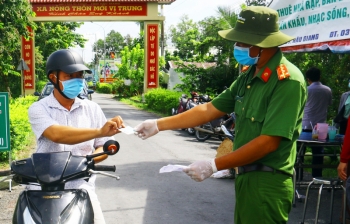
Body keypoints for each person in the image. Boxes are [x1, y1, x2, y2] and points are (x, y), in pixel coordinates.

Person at [133, 6, 306, 224]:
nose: (237, 46)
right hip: (246, 177)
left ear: (260, 44)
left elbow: (268, 142)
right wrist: (159, 124)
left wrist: (215, 165)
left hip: (267, 182)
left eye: (241, 42)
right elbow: (209, 109)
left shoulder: (287, 81)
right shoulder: (248, 77)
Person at [28, 49, 124, 224]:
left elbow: (104, 145)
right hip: (42, 190)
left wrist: (90, 161)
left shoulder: (92, 108)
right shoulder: (39, 109)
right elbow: (56, 134)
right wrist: (99, 131)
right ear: (53, 78)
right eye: (69, 75)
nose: (77, 80)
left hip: (82, 188)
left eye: (80, 75)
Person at [301, 67, 332, 178]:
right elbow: (329, 103)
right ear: (320, 76)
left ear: (308, 79)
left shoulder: (306, 89)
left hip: (305, 124)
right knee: (318, 153)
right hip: (320, 127)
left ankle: (298, 177)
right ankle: (317, 178)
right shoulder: (327, 90)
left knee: (300, 152)